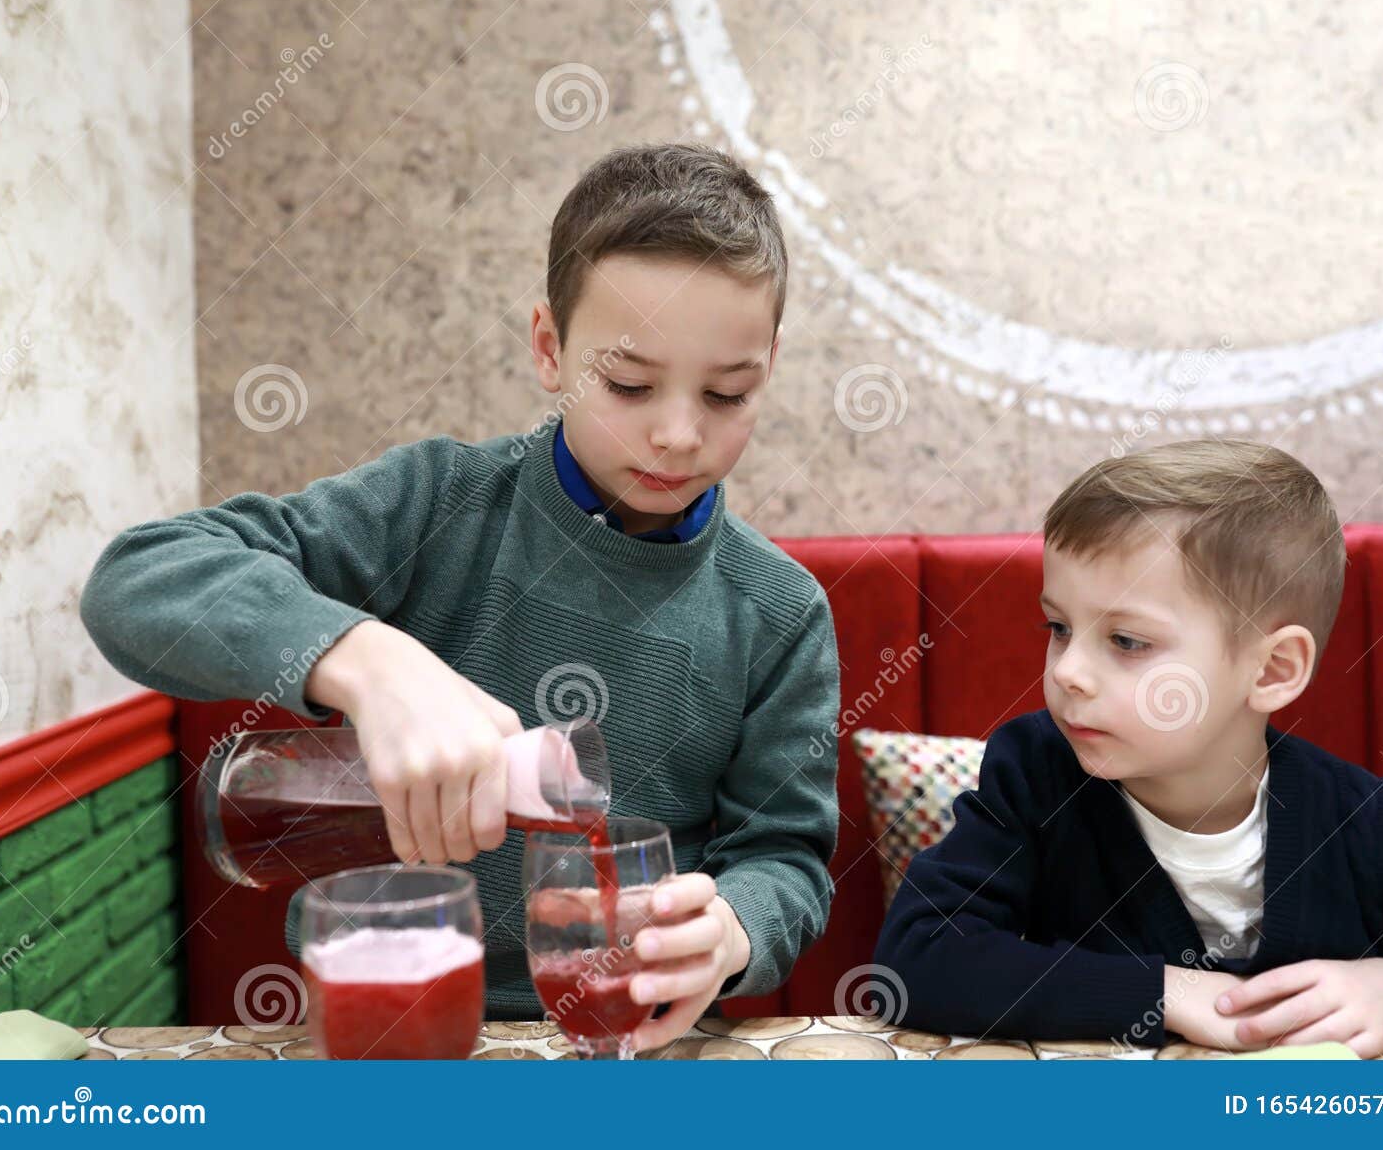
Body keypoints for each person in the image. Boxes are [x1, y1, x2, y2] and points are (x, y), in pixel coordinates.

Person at [81, 143, 840, 1050]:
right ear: (550, 348)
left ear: (769, 365)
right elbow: (138, 577)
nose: (678, 434)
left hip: (631, 1041)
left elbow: (785, 856)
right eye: (629, 384)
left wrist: (734, 930)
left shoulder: (778, 612)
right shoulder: (437, 504)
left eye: (728, 393)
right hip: (384, 1027)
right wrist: (368, 661)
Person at [876, 439, 1383, 1056]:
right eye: (1059, 627)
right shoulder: (1035, 777)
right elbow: (919, 954)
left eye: (1127, 641)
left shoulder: (1379, 823)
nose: (1069, 670)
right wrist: (1164, 991)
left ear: (1271, 670)